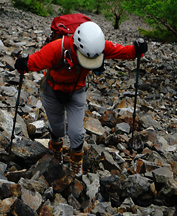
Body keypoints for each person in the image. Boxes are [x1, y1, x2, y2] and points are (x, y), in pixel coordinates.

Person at [14, 14, 147, 177]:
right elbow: (37, 60)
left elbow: (123, 51)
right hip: (52, 90)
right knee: (57, 128)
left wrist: (136, 50)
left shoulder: (98, 46)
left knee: (76, 132)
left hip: (77, 90)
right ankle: (56, 147)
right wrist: (24, 64)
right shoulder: (57, 48)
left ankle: (76, 160)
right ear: (76, 46)